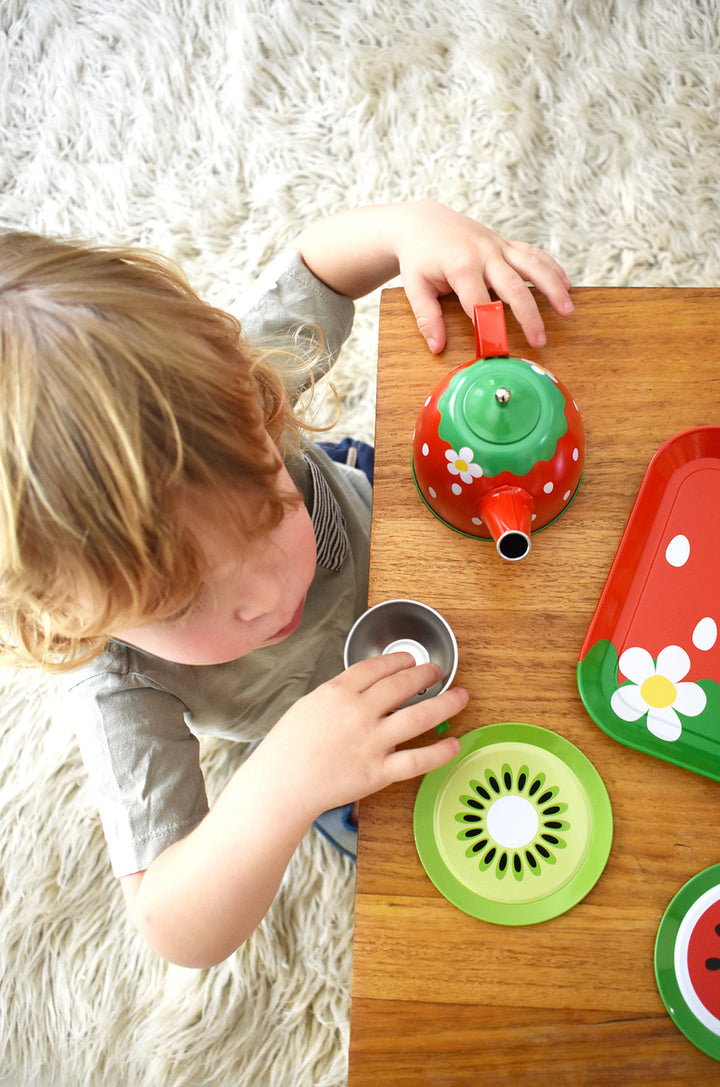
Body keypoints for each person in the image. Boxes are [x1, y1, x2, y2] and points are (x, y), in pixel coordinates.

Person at [0, 201, 573, 968]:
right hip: (304, 729)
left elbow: (322, 265)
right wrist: (283, 785)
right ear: (70, 619)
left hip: (386, 524)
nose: (270, 592)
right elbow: (170, 923)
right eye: (180, 602)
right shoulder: (117, 679)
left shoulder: (219, 394)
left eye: (269, 509)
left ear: (253, 398)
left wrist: (410, 229)